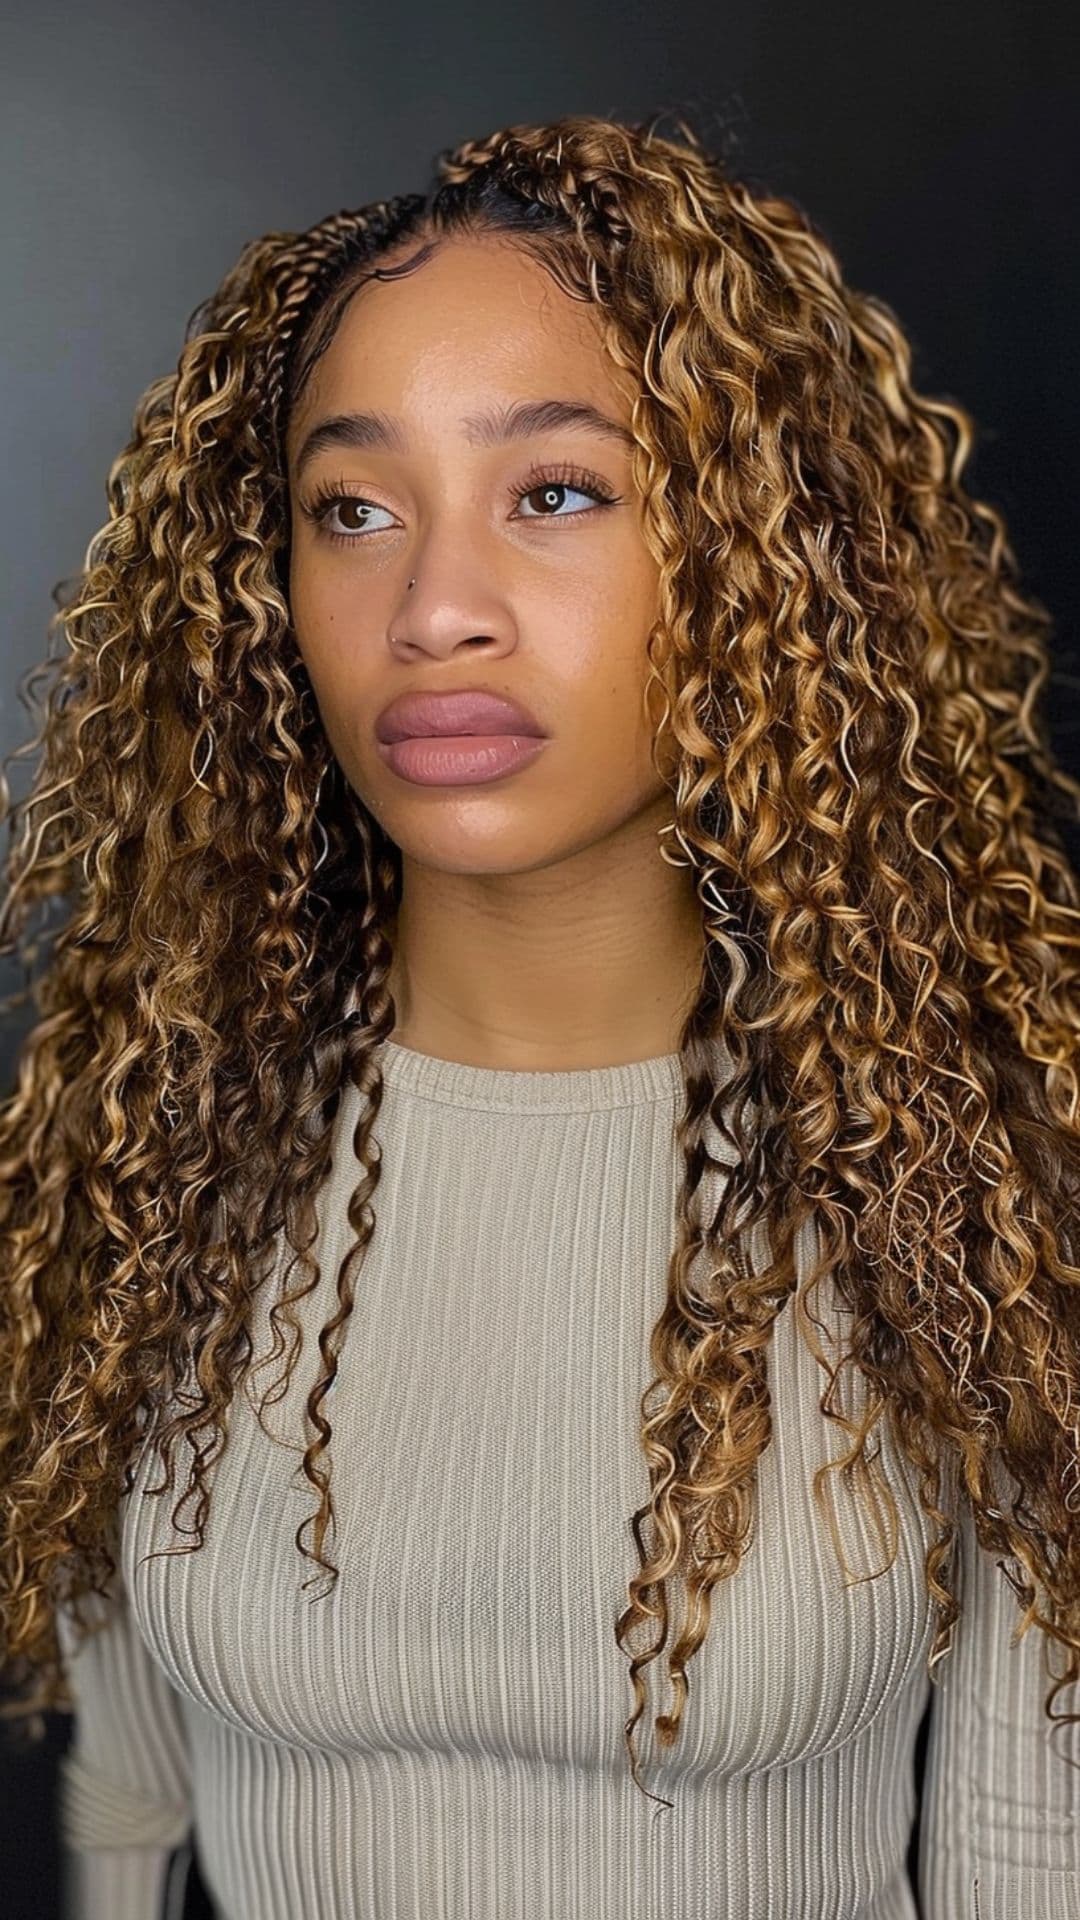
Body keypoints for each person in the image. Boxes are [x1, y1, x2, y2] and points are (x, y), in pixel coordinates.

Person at [1, 107, 1078, 1920]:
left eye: (555, 493)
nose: (434, 609)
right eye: (354, 509)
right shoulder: (151, 1142)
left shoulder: (958, 1191)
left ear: (751, 560)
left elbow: (1025, 1851)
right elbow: (126, 1819)